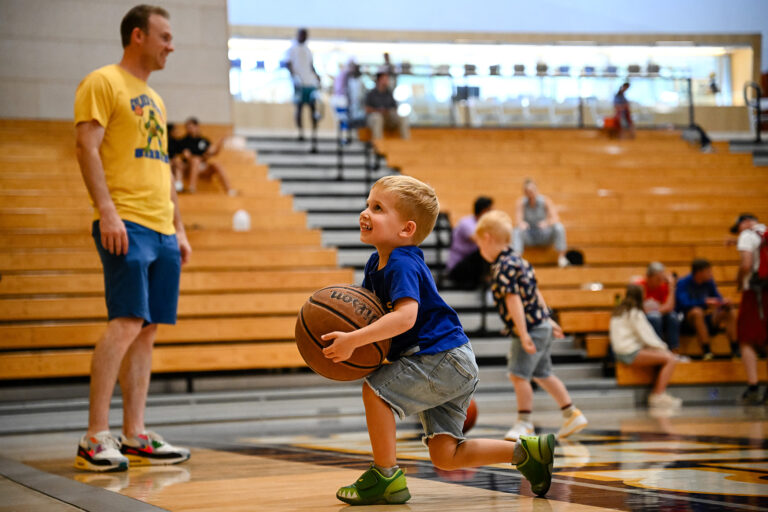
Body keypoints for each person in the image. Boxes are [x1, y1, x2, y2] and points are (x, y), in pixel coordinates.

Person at [320, 176, 556, 504]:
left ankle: (385, 475)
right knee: (446, 455)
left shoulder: (402, 262)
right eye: (367, 204)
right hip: (449, 358)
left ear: (406, 229)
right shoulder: (377, 262)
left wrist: (354, 340)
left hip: (441, 357)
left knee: (374, 392)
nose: (365, 212)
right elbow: (372, 315)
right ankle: (527, 453)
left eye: (377, 208)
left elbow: (405, 317)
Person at [73, 4, 191, 472]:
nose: (171, 45)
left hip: (161, 228)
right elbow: (86, 147)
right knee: (126, 323)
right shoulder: (102, 81)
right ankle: (93, 436)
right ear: (137, 36)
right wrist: (107, 212)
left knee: (147, 331)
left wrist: (179, 226)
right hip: (126, 222)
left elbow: (162, 167)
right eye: (164, 37)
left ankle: (135, 433)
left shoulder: (155, 99)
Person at [475, 210, 588, 441]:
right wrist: (548, 319)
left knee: (518, 375)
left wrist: (523, 332)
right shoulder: (520, 260)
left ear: (486, 238)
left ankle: (524, 422)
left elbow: (513, 298)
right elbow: (536, 293)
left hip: (529, 328)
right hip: (541, 325)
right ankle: (571, 413)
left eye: (479, 244)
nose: (480, 250)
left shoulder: (502, 266)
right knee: (543, 373)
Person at [610, 284, 682, 408]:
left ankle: (658, 392)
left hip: (619, 351)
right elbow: (647, 336)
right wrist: (664, 349)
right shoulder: (635, 313)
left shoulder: (618, 311)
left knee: (660, 356)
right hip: (630, 352)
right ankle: (658, 395)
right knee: (670, 359)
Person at [731, 213, 768, 404]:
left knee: (746, 339)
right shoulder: (765, 232)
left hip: (756, 292)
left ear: (744, 223)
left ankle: (753, 388)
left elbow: (746, 264)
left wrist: (739, 281)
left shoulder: (746, 235)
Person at [675, 259, 738, 360]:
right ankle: (706, 351)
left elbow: (717, 298)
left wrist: (724, 302)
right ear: (699, 272)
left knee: (729, 311)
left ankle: (735, 349)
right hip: (687, 322)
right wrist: (704, 302)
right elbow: (684, 304)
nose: (711, 274)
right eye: (708, 271)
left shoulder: (709, 282)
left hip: (706, 319)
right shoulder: (683, 283)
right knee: (697, 312)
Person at [513, 179, 568, 267]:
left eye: (532, 190)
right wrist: (521, 224)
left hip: (544, 234)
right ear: (525, 192)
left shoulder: (545, 200)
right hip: (529, 235)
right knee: (516, 231)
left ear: (536, 190)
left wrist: (547, 222)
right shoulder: (521, 202)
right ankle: (516, 259)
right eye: (528, 191)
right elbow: (518, 220)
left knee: (559, 227)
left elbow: (556, 218)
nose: (530, 193)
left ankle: (562, 258)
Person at [283, 28, 321, 152]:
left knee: (313, 109)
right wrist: (294, 78)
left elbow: (311, 66)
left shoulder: (308, 50)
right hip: (300, 84)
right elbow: (288, 65)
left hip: (310, 84)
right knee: (299, 109)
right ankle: (301, 133)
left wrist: (317, 76)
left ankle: (314, 135)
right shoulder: (292, 50)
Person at [445, 196, 493, 289]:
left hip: (470, 267)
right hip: (457, 268)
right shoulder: (466, 223)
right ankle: (487, 279)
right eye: (490, 210)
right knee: (483, 251)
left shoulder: (483, 225)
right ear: (484, 211)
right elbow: (479, 240)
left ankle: (487, 279)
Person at [179, 117, 236, 195]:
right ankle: (192, 187)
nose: (189, 129)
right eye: (188, 127)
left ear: (197, 127)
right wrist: (190, 158)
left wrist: (220, 144)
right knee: (196, 160)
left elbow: (213, 153)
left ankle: (229, 190)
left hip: (202, 167)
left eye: (191, 127)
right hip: (189, 167)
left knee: (216, 164)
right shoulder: (184, 141)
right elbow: (183, 156)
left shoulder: (204, 140)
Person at [633, 262, 681, 352]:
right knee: (655, 317)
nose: (661, 282)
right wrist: (659, 310)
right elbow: (640, 310)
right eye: (658, 279)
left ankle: (674, 351)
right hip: (643, 319)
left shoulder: (663, 286)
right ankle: (657, 350)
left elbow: (670, 307)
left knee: (673, 317)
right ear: (649, 277)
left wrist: (671, 287)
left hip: (658, 316)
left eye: (662, 279)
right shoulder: (639, 286)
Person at [365, 72, 410, 140]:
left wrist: (389, 111)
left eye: (387, 79)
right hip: (375, 118)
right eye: (385, 79)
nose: (387, 81)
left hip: (388, 118)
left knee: (402, 118)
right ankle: (379, 145)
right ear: (379, 80)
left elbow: (395, 108)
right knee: (377, 117)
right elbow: (367, 109)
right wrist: (379, 111)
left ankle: (406, 143)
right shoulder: (371, 94)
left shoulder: (389, 93)